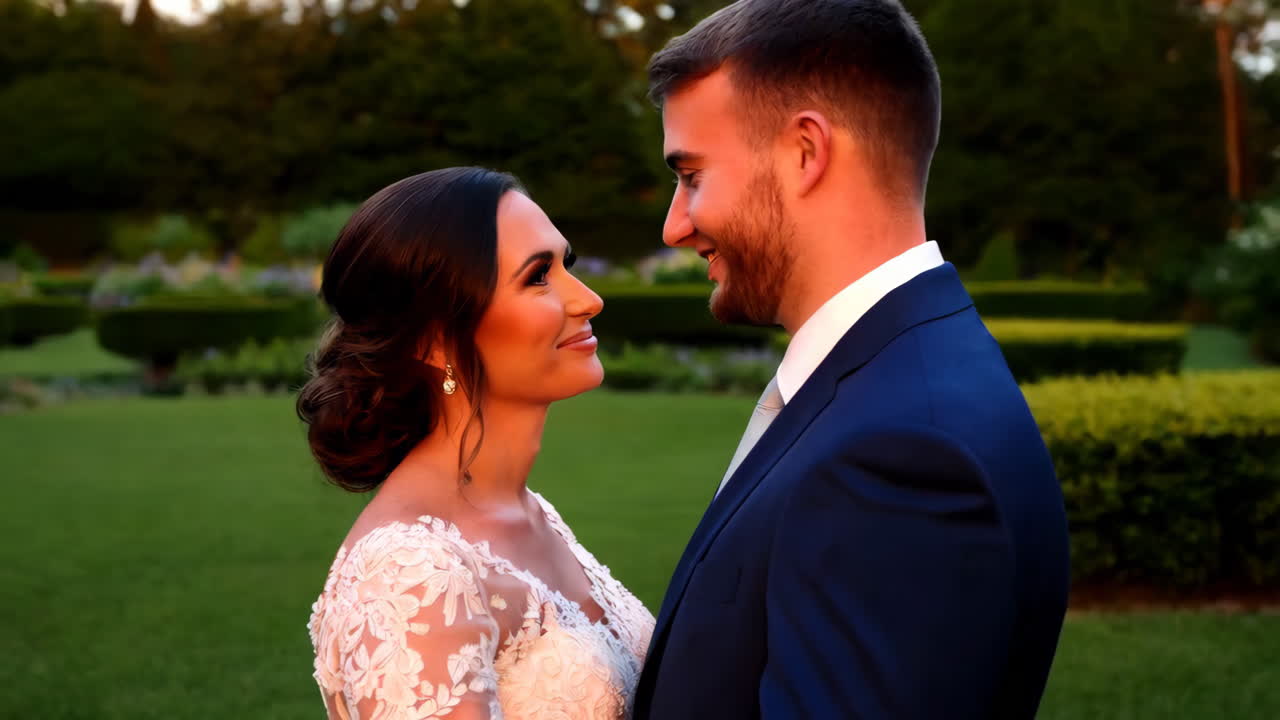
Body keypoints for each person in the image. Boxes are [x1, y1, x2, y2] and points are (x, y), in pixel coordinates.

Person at [632, 1, 1071, 718]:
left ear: (806, 151)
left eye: (691, 176)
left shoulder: (899, 456)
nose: (675, 225)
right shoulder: (902, 373)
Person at [300, 167, 655, 720]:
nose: (588, 300)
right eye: (538, 277)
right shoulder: (411, 573)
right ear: (433, 338)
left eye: (568, 266)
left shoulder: (530, 513)